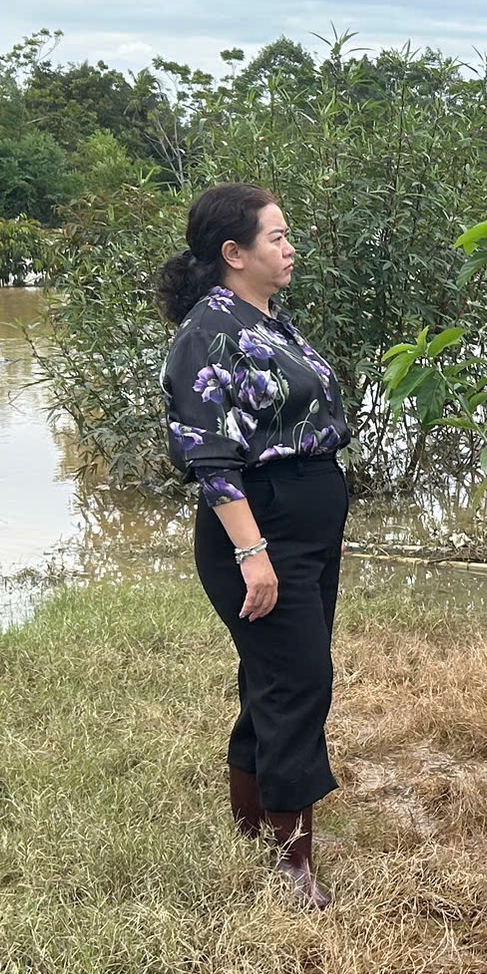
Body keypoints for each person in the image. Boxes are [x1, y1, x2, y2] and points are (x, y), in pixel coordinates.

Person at [159, 181, 352, 910]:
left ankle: (252, 822)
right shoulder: (207, 332)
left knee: (275, 677)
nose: (289, 246)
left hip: (305, 523)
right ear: (233, 254)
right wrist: (252, 552)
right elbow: (208, 455)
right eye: (276, 236)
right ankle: (290, 857)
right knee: (300, 680)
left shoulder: (264, 319)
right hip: (259, 530)